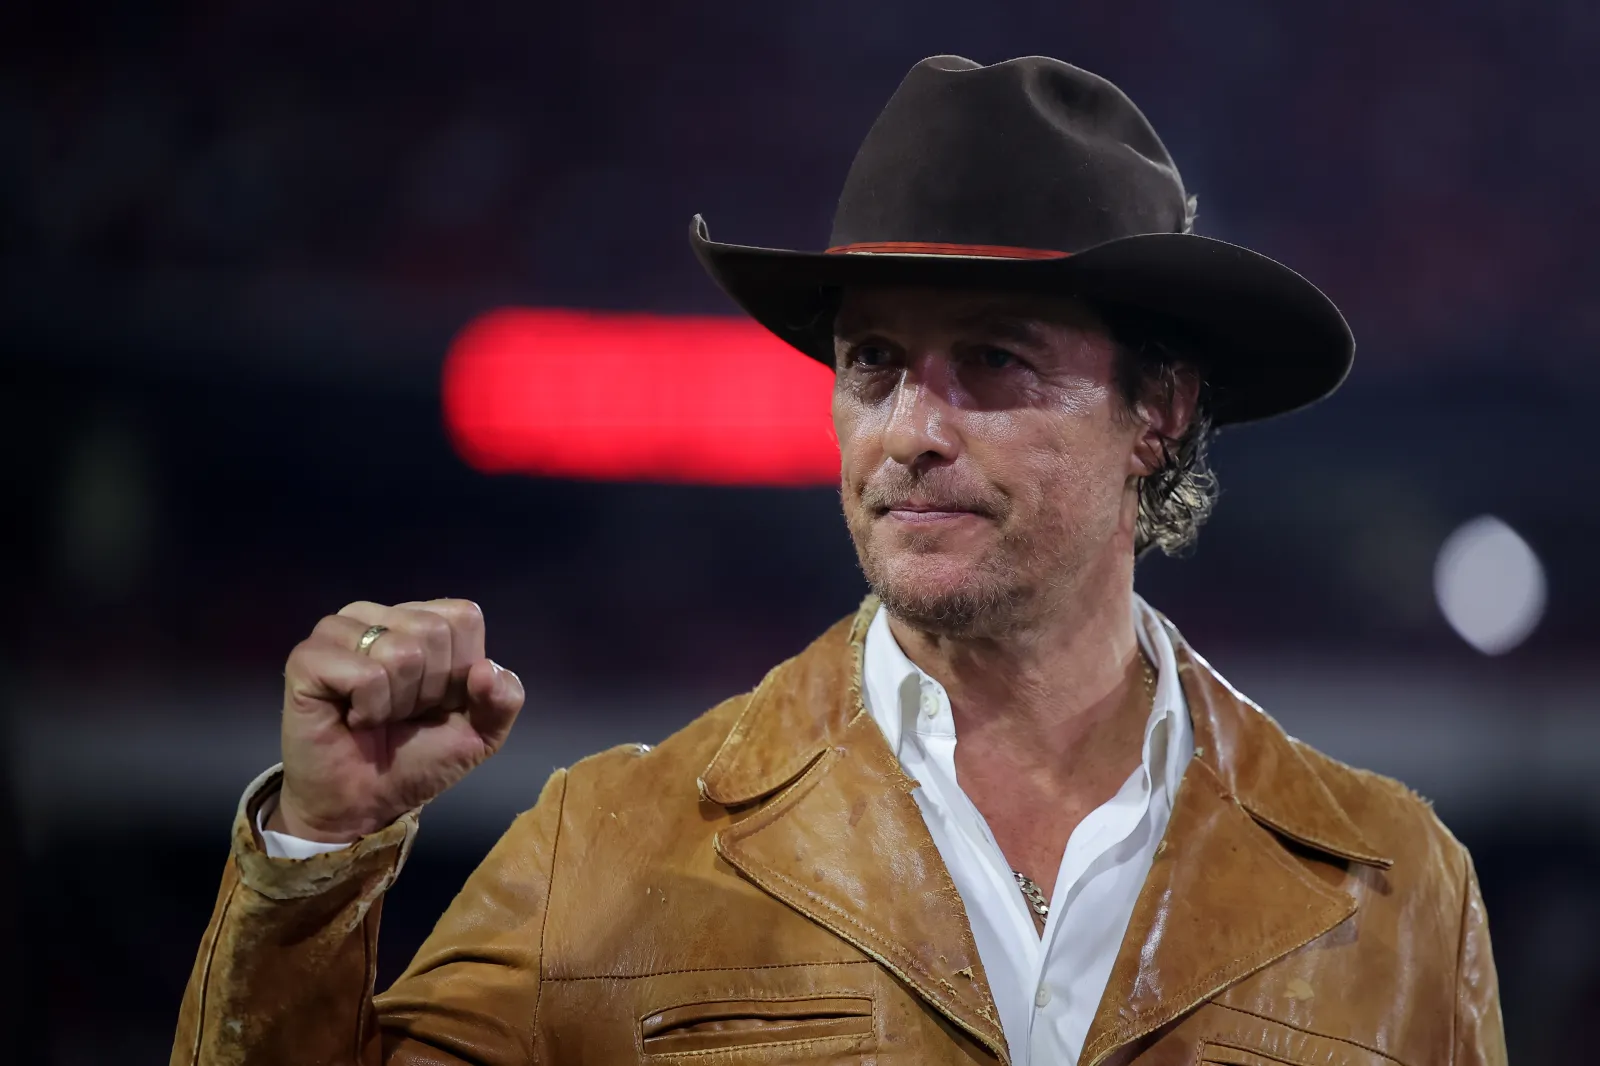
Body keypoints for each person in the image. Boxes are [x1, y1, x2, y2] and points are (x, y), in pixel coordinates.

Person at [172, 55, 1505, 1066]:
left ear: (1156, 409)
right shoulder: (610, 848)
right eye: (873, 361)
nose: (911, 430)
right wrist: (316, 853)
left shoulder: (1399, 893)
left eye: (994, 359)